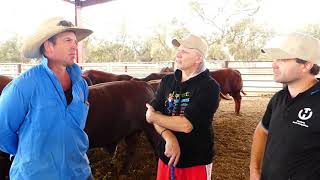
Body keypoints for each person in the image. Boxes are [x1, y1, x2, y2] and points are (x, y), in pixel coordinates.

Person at [0, 17, 93, 180]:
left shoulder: (81, 85)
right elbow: (2, 132)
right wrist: (29, 155)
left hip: (79, 173)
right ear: (48, 47)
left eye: (75, 41)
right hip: (35, 175)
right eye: (67, 40)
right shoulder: (22, 86)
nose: (74, 46)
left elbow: (77, 129)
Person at [146, 34, 220, 180]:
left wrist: (153, 116)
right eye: (178, 50)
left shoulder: (209, 87)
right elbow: (155, 112)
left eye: (185, 51)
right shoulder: (167, 81)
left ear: (199, 58)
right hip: (166, 156)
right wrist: (169, 137)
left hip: (195, 161)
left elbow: (186, 125)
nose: (178, 54)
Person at [250, 32, 320, 180]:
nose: (274, 64)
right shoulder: (278, 98)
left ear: (307, 65)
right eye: (274, 59)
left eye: (282, 59)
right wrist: (254, 170)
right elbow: (262, 131)